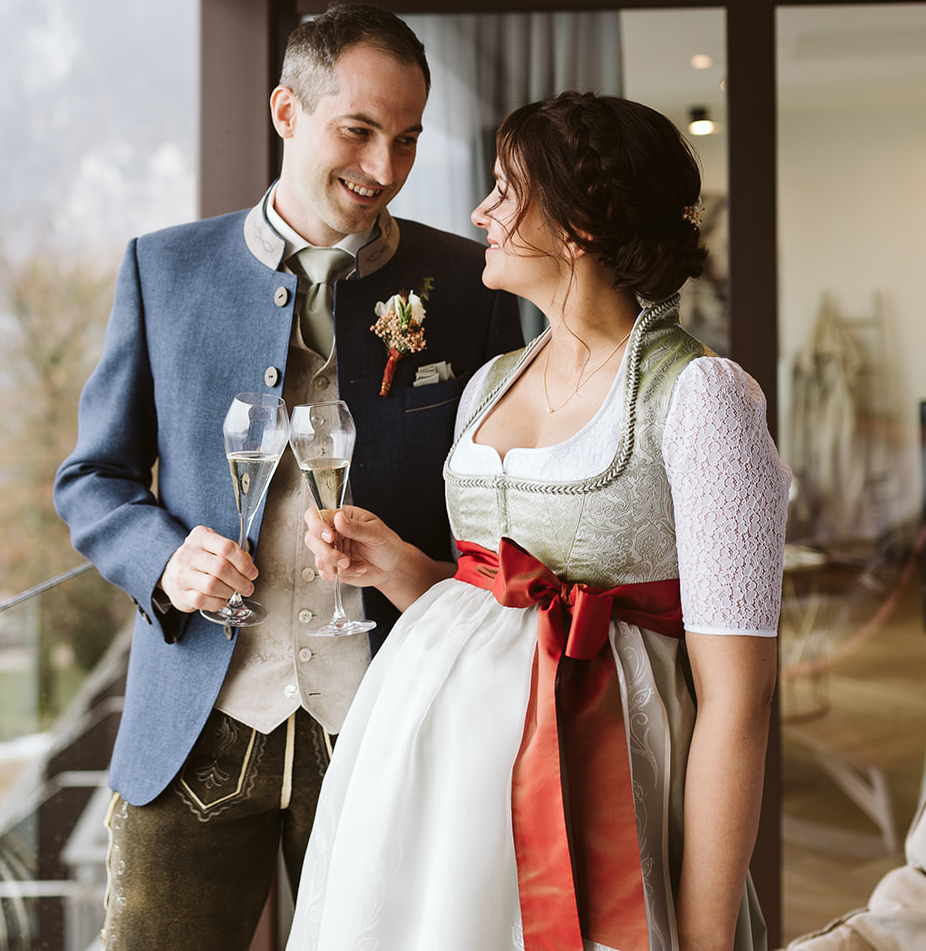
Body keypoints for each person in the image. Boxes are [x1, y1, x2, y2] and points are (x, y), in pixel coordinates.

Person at [53, 3, 525, 950]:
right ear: (286, 112)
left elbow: (498, 509)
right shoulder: (162, 269)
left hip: (386, 721)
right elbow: (93, 477)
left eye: (407, 138)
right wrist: (164, 559)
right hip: (198, 722)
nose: (383, 167)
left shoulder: (467, 284)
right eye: (358, 130)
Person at [291, 91, 789, 951]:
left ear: (579, 226)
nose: (480, 212)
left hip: (598, 789)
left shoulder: (701, 398)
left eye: (504, 190)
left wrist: (705, 940)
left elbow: (738, 700)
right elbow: (492, 606)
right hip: (440, 805)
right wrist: (400, 566)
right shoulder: (490, 383)